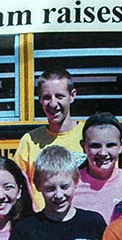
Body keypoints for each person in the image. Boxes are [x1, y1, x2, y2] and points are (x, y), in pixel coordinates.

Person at [14, 68, 86, 209]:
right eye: (47, 97)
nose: (53, 104)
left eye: (59, 96)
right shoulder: (29, 141)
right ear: (39, 98)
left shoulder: (88, 136)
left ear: (72, 96)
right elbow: (18, 185)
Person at [75, 112, 122, 223]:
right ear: (83, 146)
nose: (103, 153)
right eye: (95, 146)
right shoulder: (71, 183)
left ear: (121, 146)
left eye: (110, 145)